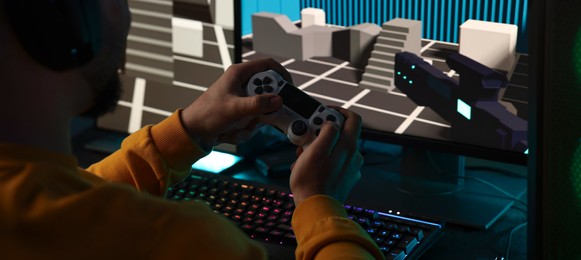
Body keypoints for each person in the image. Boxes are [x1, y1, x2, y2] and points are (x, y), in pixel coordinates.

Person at [0, 1, 383, 259]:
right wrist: (320, 202)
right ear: (63, 25)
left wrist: (185, 132)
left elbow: (67, 202)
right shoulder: (182, 241)